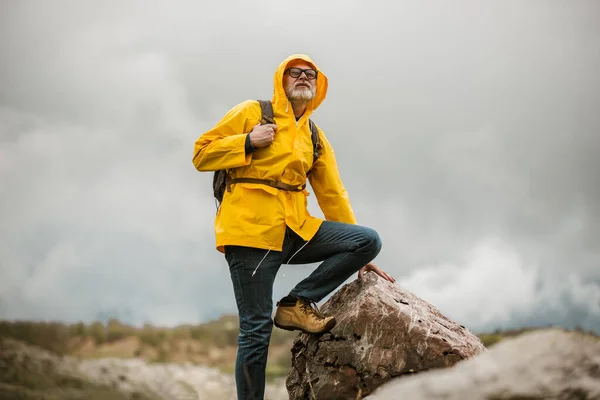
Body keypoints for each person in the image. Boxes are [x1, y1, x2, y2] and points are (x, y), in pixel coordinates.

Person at [192, 54, 395, 400]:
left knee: (366, 241)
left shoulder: (314, 135)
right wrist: (246, 142)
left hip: (295, 230)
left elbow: (332, 193)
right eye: (294, 73)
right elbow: (201, 154)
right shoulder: (251, 113)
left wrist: (360, 259)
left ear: (318, 86)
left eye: (310, 75)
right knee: (255, 331)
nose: (303, 78)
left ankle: (296, 302)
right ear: (281, 81)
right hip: (250, 234)